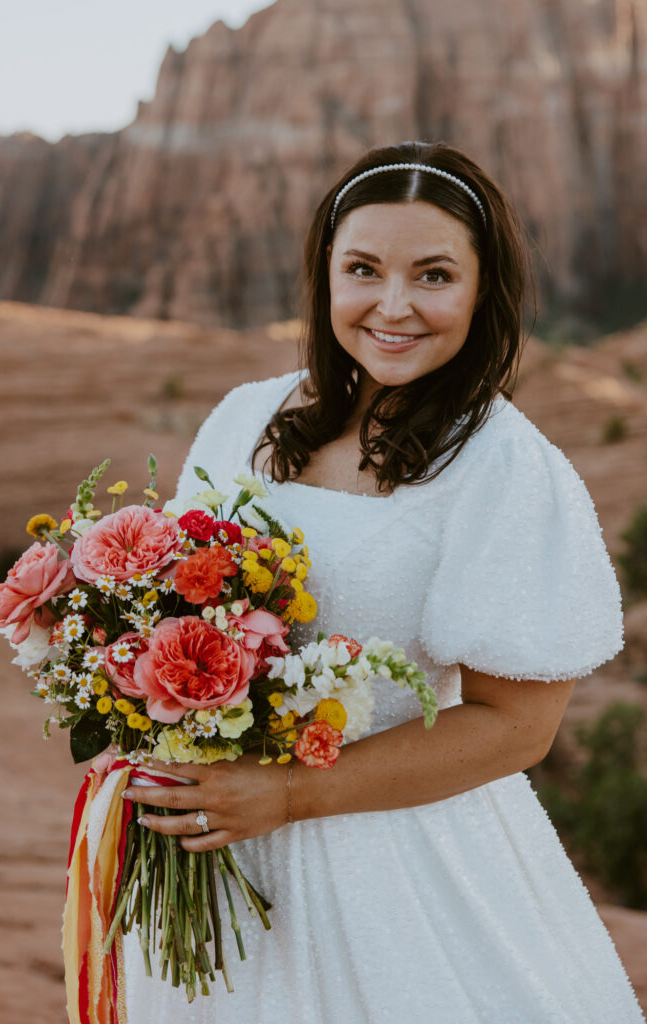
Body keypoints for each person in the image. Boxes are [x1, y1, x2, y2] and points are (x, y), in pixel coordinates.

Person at [117, 140, 645, 1022]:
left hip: (396, 868)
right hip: (217, 857)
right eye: (362, 268)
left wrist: (287, 794)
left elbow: (517, 727)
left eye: (433, 275)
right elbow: (173, 602)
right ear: (325, 273)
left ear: (483, 293)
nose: (392, 307)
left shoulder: (503, 467)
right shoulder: (248, 416)